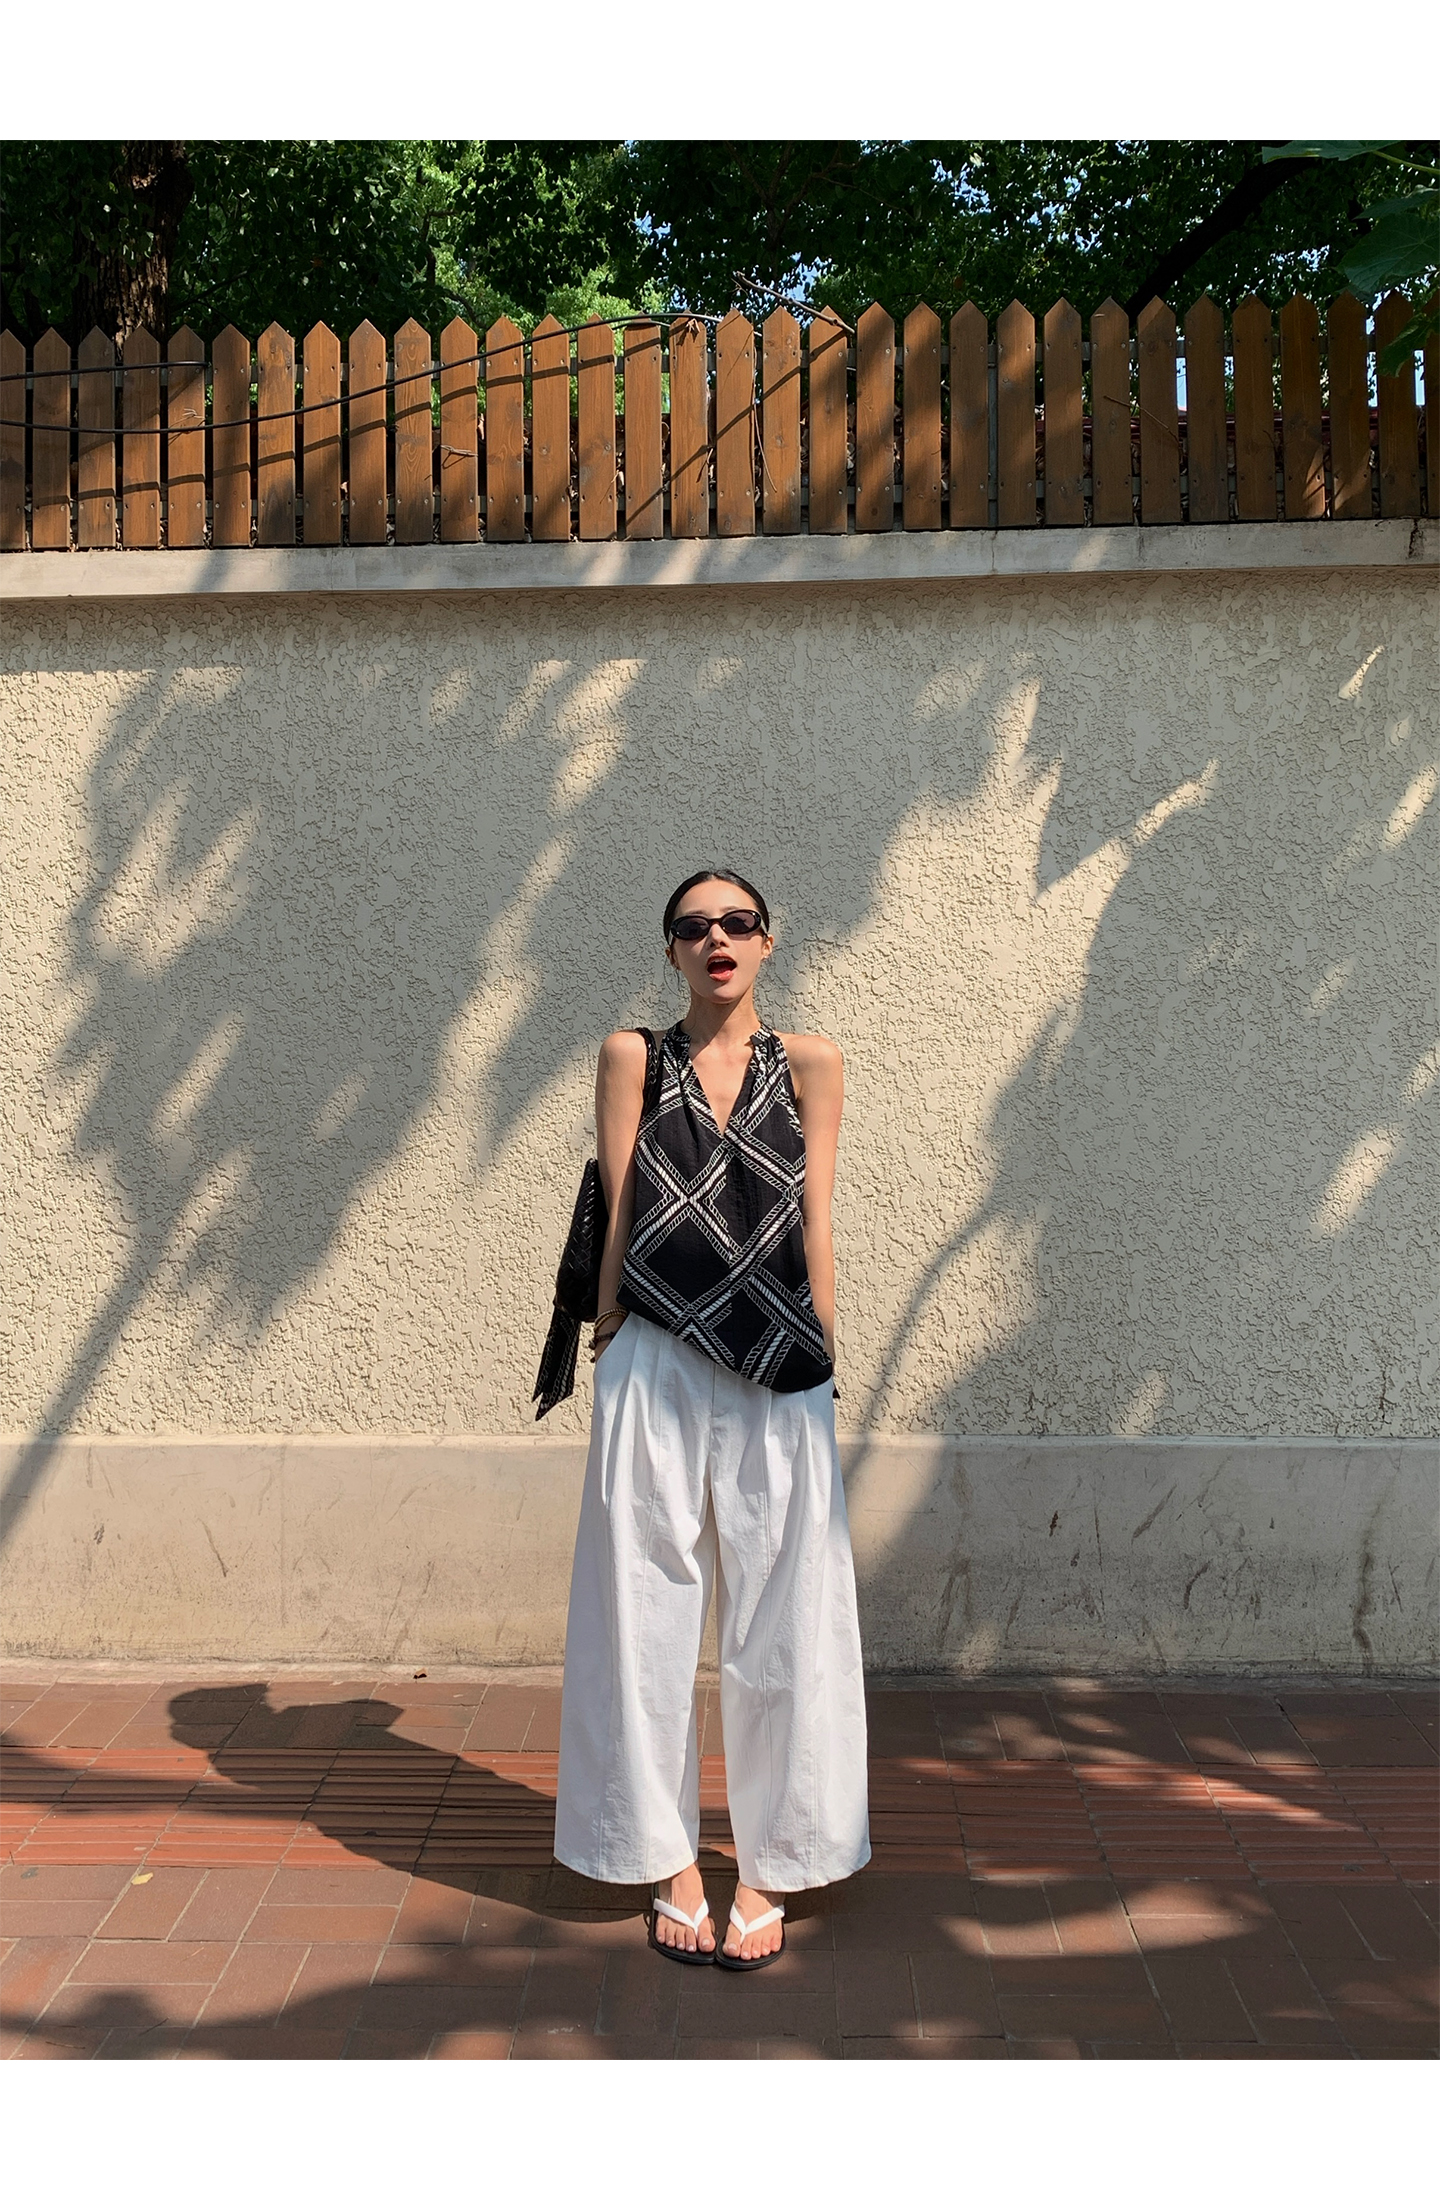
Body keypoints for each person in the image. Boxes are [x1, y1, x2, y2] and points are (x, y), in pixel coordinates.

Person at [553, 868, 870, 1969]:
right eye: (694, 927)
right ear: (672, 952)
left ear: (768, 941)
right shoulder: (632, 1056)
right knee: (639, 1607)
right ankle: (669, 1862)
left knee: (791, 1612)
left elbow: (815, 1217)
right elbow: (619, 1201)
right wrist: (608, 1336)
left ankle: (777, 1861)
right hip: (655, 1349)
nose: (717, 939)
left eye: (738, 923)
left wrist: (826, 1355)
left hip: (782, 1362)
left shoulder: (813, 1061)